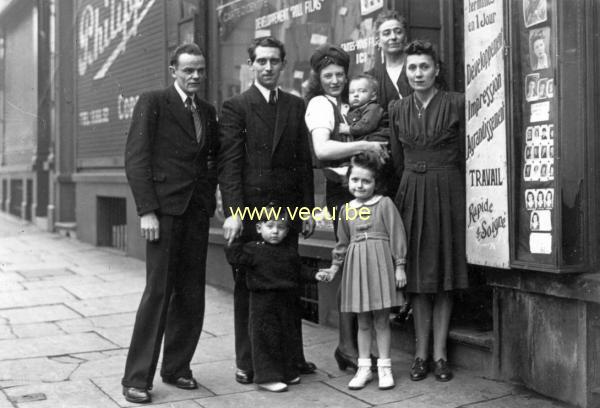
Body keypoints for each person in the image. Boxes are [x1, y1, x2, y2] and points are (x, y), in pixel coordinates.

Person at [121, 43, 219, 404]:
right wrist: (147, 210)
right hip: (162, 214)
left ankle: (177, 367)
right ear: (172, 70)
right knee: (158, 293)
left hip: (195, 213)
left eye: (200, 70)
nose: (195, 76)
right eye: (188, 70)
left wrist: (208, 201)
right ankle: (137, 378)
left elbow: (209, 160)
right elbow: (136, 158)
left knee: (192, 293)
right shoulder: (154, 102)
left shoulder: (207, 111)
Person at [218, 36, 316, 386]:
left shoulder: (294, 104)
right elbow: (230, 164)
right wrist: (233, 212)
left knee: (286, 286)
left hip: (286, 212)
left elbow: (303, 163)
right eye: (261, 61)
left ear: (283, 65)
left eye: (274, 61)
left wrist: (306, 210)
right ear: (252, 65)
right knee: (252, 291)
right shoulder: (236, 106)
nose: (268, 67)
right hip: (252, 213)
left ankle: (290, 360)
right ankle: (248, 362)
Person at [305, 44, 388, 372]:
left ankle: (353, 346)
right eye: (328, 75)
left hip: (357, 191)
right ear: (319, 78)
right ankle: (346, 345)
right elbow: (323, 149)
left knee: (361, 269)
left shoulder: (344, 104)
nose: (336, 80)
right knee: (351, 270)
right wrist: (367, 144)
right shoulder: (319, 104)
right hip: (342, 194)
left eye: (340, 74)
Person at [389, 40, 468, 382]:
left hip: (448, 190)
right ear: (406, 73)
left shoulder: (457, 104)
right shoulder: (397, 109)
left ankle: (440, 356)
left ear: (436, 69)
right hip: (411, 193)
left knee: (445, 277)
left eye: (424, 67)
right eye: (412, 68)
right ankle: (420, 355)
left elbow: (469, 153)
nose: (418, 73)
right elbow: (394, 159)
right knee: (419, 279)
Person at [317, 153, 407, 390]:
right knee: (363, 322)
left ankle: (385, 367)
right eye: (355, 180)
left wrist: (400, 267)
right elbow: (342, 243)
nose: (360, 185)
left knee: (381, 320)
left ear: (376, 183)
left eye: (366, 181)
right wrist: (334, 268)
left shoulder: (385, 204)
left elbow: (397, 235)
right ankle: (364, 367)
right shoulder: (347, 209)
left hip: (380, 266)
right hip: (357, 268)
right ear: (348, 181)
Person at [225, 206, 319, 392]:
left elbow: (299, 270)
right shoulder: (253, 249)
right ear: (259, 228)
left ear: (287, 231)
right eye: (270, 226)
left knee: (286, 336)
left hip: (285, 301)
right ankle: (267, 377)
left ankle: (286, 371)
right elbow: (234, 257)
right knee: (265, 339)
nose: (275, 231)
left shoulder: (288, 251)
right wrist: (234, 238)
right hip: (262, 302)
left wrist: (316, 274)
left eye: (281, 227)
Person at [366, 10, 413, 197]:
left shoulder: (418, 69)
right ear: (378, 41)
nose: (393, 37)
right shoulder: (372, 78)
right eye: (386, 33)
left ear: (405, 35)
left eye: (398, 31)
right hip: (388, 159)